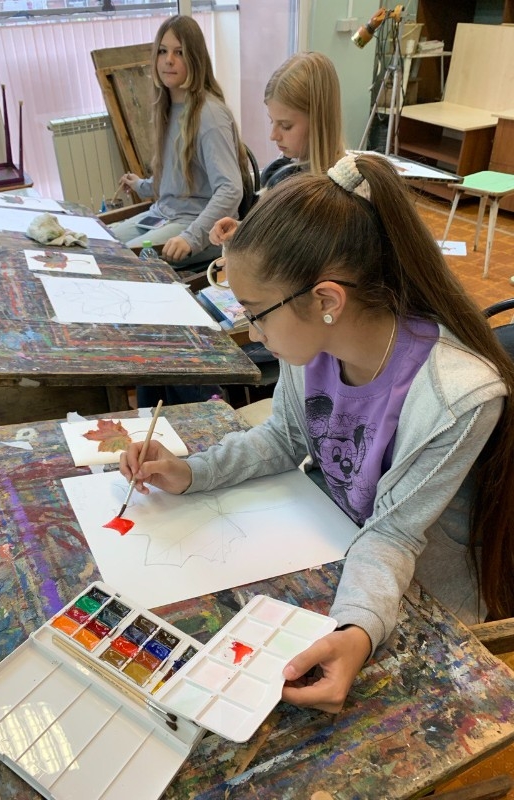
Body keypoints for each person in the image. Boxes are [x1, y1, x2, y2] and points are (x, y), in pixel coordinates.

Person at [120, 152, 514, 713]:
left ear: (327, 300)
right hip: (338, 540)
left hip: (423, 599)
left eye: (256, 312)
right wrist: (191, 471)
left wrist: (356, 631)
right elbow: (286, 438)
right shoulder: (313, 347)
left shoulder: (455, 397)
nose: (251, 330)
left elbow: (394, 534)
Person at [110, 15, 247, 267]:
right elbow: (177, 181)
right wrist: (141, 185)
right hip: (163, 215)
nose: (168, 60)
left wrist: (190, 238)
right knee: (101, 244)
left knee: (120, 263)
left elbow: (231, 189)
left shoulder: (210, 115)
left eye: (179, 52)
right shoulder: (167, 107)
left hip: (197, 227)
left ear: (195, 59)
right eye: (162, 51)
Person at [210, 51, 344, 247]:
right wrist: (241, 231)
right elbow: (272, 236)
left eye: (286, 126)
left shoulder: (341, 198)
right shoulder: (285, 171)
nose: (273, 135)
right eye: (272, 121)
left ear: (319, 122)